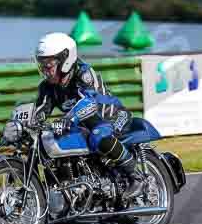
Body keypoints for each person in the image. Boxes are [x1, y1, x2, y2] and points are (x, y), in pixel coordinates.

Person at [34, 32, 145, 202]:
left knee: (99, 136)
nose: (45, 70)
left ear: (65, 60)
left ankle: (136, 177)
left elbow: (89, 102)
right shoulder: (48, 87)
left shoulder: (83, 73)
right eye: (42, 64)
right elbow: (40, 111)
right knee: (49, 140)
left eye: (49, 64)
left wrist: (68, 119)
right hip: (84, 125)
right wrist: (21, 125)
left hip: (112, 117)